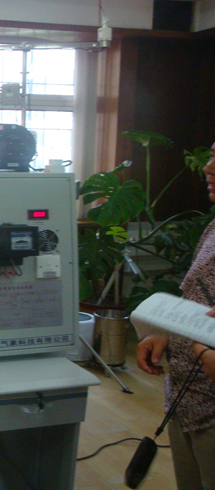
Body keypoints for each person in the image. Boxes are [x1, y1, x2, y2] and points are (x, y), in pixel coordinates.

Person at [136, 141, 215, 490]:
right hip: (186, 401)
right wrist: (167, 332)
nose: (208, 168)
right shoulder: (213, 229)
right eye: (211, 157)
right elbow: (198, 299)